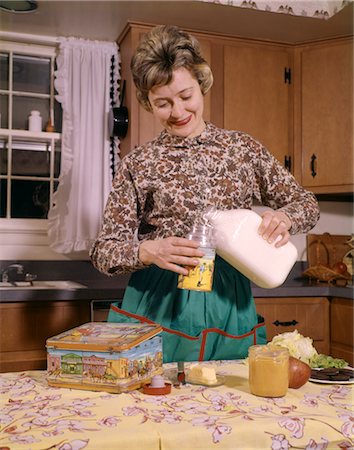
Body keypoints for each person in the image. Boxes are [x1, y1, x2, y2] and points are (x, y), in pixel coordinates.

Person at [90, 25, 320, 363]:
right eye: (163, 103)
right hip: (158, 297)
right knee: (151, 404)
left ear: (202, 84)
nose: (178, 112)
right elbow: (103, 251)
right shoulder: (138, 163)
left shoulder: (242, 149)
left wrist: (284, 217)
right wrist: (148, 250)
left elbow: (307, 204)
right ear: (147, 103)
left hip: (229, 298)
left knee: (230, 403)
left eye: (186, 96)